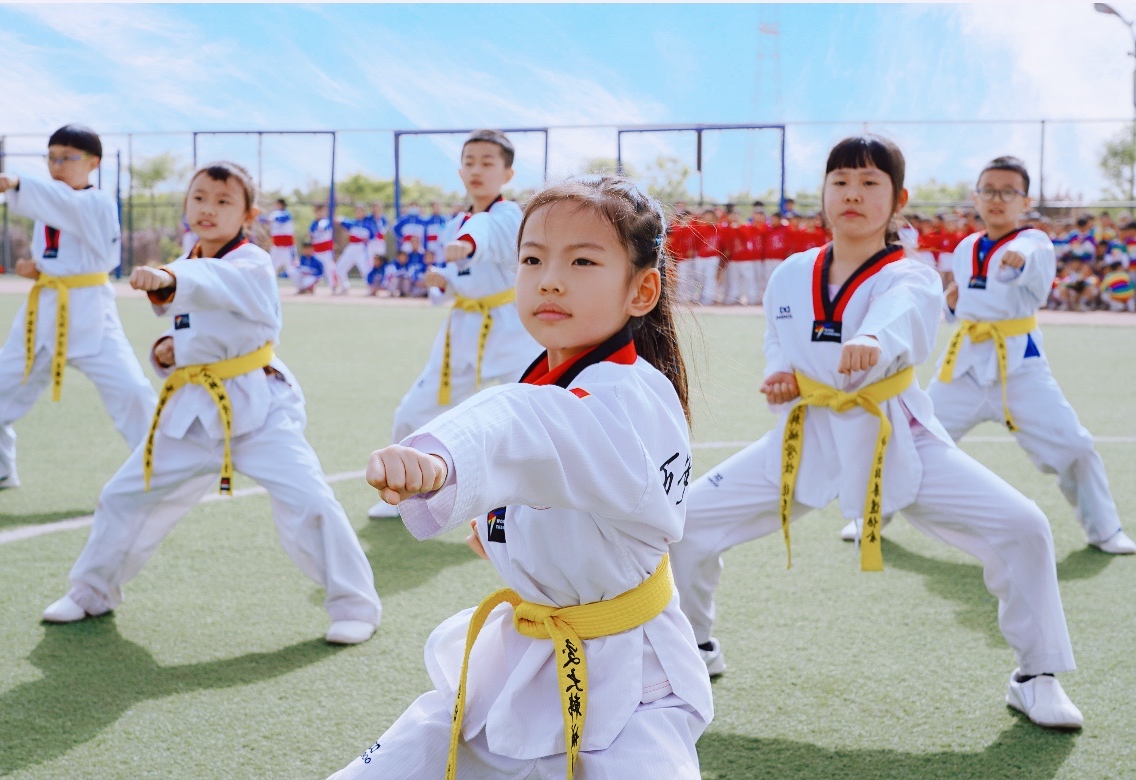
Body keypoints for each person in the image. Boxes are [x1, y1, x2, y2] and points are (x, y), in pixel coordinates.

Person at [669, 135, 1083, 730]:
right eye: (840, 182)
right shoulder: (791, 273)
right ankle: (695, 646)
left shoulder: (912, 275)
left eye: (869, 183)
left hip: (895, 436)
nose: (852, 195)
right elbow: (778, 337)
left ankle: (1036, 677)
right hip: (805, 436)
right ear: (823, 194)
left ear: (898, 200)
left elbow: (901, 314)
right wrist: (780, 372)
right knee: (685, 523)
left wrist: (872, 339)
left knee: (1024, 526)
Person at [330, 175, 712, 780]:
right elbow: (542, 454)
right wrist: (509, 532)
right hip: (521, 663)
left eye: (582, 261)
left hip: (633, 682)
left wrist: (440, 461)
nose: (550, 279)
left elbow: (528, 427)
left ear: (641, 290)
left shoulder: (627, 397)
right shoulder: (547, 378)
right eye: (533, 259)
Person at [40, 161, 382, 644]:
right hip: (194, 412)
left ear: (248, 215)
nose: (208, 209)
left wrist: (167, 277)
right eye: (199, 198)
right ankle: (91, 592)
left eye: (224, 201)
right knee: (123, 495)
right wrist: (167, 349)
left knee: (311, 500)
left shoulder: (251, 261)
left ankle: (355, 606)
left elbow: (214, 283)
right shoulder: (189, 257)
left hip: (259, 410)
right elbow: (197, 328)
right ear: (186, 205)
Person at [910, 156, 1134, 554]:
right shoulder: (965, 247)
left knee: (1075, 447)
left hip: (1020, 368)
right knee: (913, 437)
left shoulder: (1035, 243)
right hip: (963, 366)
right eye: (989, 190)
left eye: (1008, 192)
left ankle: (1105, 530)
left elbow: (1031, 248)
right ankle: (871, 514)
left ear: (1025, 201)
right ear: (976, 198)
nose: (997, 199)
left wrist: (1021, 253)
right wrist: (951, 303)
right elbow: (961, 302)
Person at [0, 124, 156, 492]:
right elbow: (62, 253)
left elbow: (69, 207)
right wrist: (37, 269)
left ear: (94, 163)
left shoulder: (97, 202)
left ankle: (164, 471)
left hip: (91, 315)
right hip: (44, 315)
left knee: (134, 393)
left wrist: (18, 181)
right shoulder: (48, 204)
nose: (57, 166)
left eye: (67, 158)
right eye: (52, 158)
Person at [368, 130, 541, 519]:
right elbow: (455, 276)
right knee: (413, 410)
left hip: (511, 328)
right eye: (469, 162)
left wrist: (469, 244)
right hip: (463, 329)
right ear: (460, 171)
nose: (476, 170)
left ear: (507, 174)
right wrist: (441, 281)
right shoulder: (453, 225)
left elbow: (486, 233)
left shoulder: (509, 216)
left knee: (531, 411)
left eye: (487, 163)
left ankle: (538, 505)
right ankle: (402, 492)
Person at [337, 203, 373, 291]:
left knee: (365, 270)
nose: (359, 213)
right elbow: (339, 220)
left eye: (361, 211)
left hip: (361, 248)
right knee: (339, 267)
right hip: (351, 247)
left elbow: (372, 236)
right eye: (357, 211)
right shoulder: (352, 223)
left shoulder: (368, 224)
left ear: (364, 212)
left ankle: (371, 288)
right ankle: (344, 287)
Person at [309, 203, 339, 293]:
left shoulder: (325, 221)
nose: (319, 213)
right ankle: (310, 287)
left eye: (321, 211)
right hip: (316, 251)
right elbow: (311, 236)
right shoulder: (313, 224)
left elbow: (323, 226)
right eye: (318, 211)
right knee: (313, 269)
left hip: (326, 251)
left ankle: (333, 287)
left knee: (329, 269)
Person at [265, 198, 296, 277]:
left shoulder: (287, 214)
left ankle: (300, 284)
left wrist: (273, 218)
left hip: (287, 247)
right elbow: (267, 220)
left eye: (277, 204)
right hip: (276, 246)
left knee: (291, 268)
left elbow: (283, 219)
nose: (276, 206)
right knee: (272, 266)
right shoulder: (274, 213)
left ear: (281, 204)